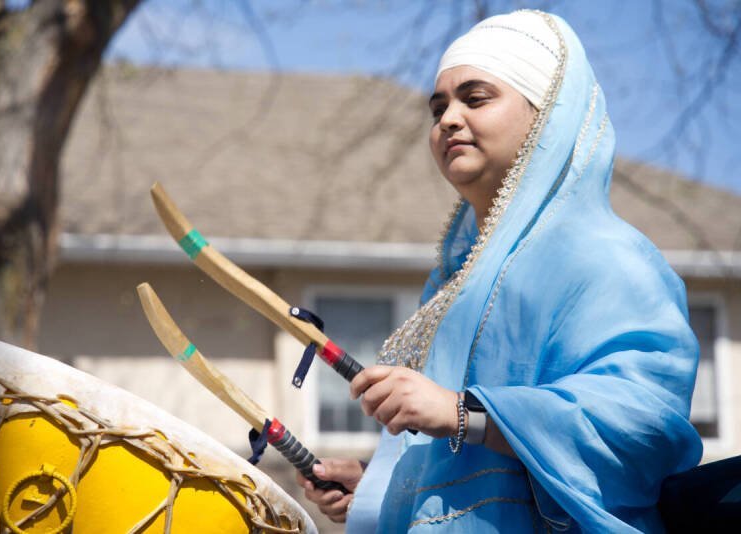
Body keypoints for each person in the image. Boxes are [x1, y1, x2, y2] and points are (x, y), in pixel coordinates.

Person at [297, 10, 703, 532]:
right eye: (438, 106)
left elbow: (643, 428)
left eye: (475, 98)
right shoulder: (454, 282)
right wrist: (380, 488)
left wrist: (466, 412)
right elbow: (464, 467)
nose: (447, 119)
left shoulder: (608, 257)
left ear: (546, 115)